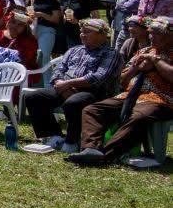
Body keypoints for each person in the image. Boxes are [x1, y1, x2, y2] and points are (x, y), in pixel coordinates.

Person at [64, 17, 173, 169]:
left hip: (161, 99)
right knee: (92, 110)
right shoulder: (144, 51)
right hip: (130, 95)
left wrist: (156, 61)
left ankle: (105, 155)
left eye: (157, 34)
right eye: (151, 33)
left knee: (138, 116)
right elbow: (122, 80)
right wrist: (135, 67)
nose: (152, 37)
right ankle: (91, 148)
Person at [22, 19, 118, 153]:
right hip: (64, 88)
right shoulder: (74, 50)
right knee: (34, 97)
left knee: (73, 102)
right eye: (82, 32)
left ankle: (72, 140)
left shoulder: (111, 53)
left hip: (93, 92)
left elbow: (99, 77)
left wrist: (68, 84)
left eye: (87, 32)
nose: (83, 35)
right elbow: (58, 70)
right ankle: (54, 135)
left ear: (102, 34)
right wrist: (60, 83)